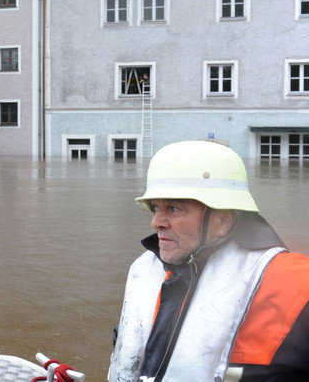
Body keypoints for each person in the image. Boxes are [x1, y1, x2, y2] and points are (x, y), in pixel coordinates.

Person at [108, 140, 309, 382]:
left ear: (223, 221)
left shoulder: (295, 286)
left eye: (173, 208)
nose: (156, 222)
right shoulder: (147, 271)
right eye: (154, 207)